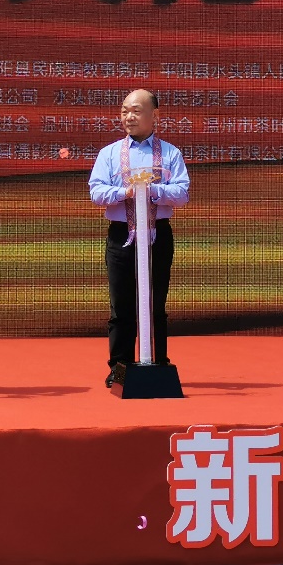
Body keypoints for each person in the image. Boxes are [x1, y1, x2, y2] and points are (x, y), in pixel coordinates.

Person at [88, 89, 190, 388]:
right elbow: (96, 192)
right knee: (121, 303)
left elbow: (182, 193)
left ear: (154, 116)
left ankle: (158, 361)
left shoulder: (170, 153)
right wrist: (127, 191)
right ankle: (119, 365)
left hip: (158, 233)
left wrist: (152, 189)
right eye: (124, 111)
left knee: (155, 302)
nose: (129, 117)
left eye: (136, 111)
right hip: (121, 234)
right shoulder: (110, 153)